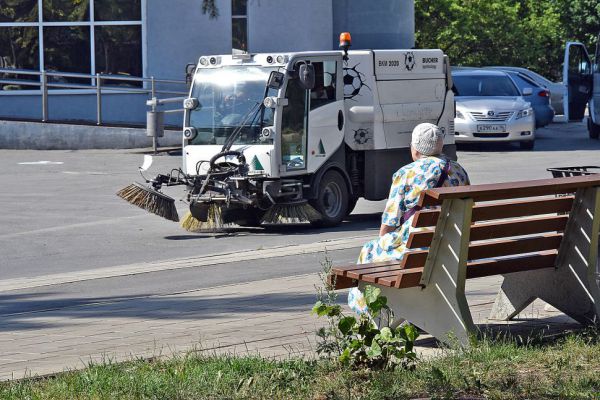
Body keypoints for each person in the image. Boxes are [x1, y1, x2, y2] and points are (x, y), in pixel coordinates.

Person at [357, 123, 470, 264]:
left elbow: (390, 221)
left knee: (369, 249)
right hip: (452, 245)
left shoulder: (406, 173)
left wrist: (383, 244)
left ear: (415, 149)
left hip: (417, 249)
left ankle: (368, 287)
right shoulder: (458, 170)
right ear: (440, 146)